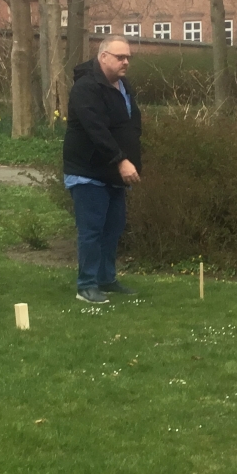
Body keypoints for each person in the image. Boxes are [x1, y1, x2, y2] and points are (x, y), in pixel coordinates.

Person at [62, 36, 142, 304]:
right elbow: (96, 130)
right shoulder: (86, 88)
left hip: (113, 173)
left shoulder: (123, 85)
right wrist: (121, 159)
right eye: (120, 57)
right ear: (103, 57)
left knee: (113, 227)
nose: (126, 62)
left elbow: (130, 123)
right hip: (87, 171)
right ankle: (86, 285)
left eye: (128, 57)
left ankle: (106, 279)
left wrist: (133, 154)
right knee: (92, 229)